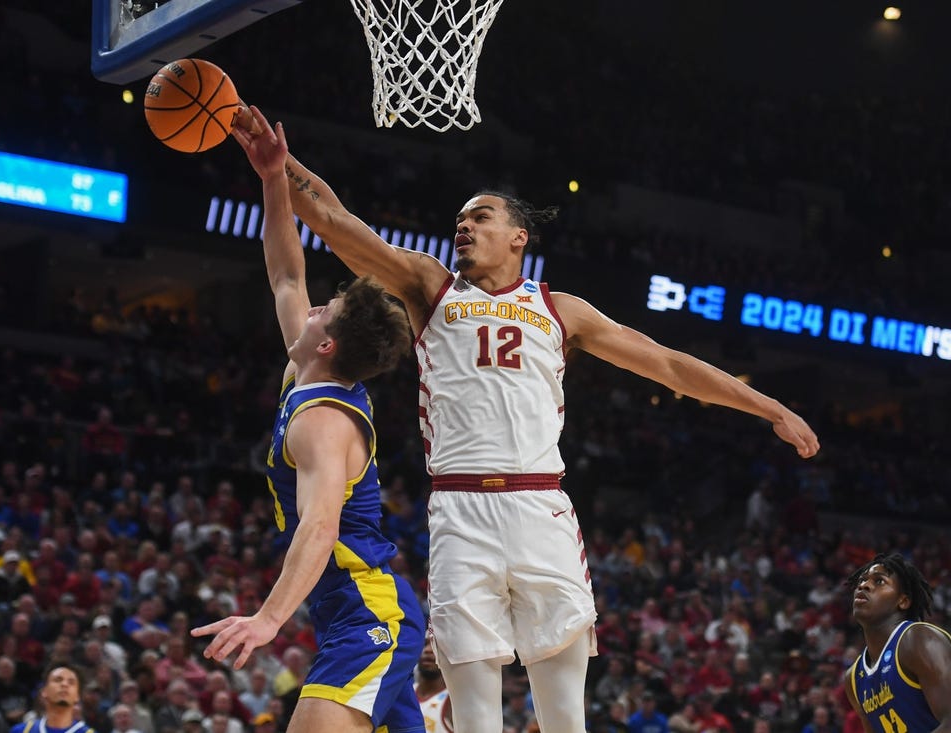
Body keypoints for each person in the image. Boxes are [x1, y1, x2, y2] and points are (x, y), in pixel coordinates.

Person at [227, 105, 821, 733]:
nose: (463, 226)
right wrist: (278, 165)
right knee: (476, 716)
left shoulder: (562, 310)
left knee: (564, 717)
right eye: (458, 219)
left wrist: (767, 406)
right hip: (459, 512)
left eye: (480, 217)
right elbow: (333, 221)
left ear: (519, 237)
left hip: (540, 507)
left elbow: (669, 365)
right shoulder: (430, 288)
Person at [191, 111, 424, 733]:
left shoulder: (324, 418)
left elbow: (320, 528)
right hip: (350, 612)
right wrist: (273, 178)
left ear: (328, 344)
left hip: (367, 616)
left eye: (330, 308)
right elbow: (286, 273)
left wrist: (267, 620)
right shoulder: (311, 373)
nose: (316, 305)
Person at [844, 552, 951, 733]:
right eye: (862, 580)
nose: (864, 585)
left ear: (903, 601)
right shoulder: (853, 678)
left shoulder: (917, 640)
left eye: (879, 581)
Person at [8, 664, 92, 733]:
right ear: (44, 691)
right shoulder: (22, 731)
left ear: (77, 696)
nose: (64, 684)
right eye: (58, 680)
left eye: (71, 682)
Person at [415, 638, 452, 733]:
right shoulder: (402, 692)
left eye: (436, 646)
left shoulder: (453, 701)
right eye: (424, 644)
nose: (428, 650)